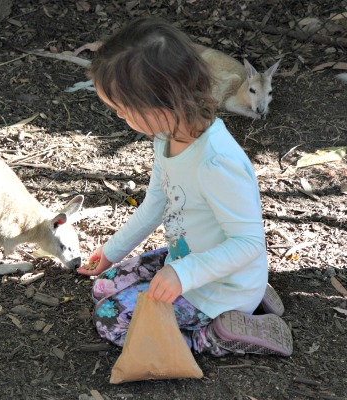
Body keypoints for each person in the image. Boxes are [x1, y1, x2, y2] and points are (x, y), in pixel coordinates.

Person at [77, 17, 292, 357]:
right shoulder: (166, 136)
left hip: (220, 286)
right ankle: (248, 295)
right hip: (193, 259)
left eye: (123, 110)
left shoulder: (216, 162)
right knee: (104, 285)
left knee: (110, 319)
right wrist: (112, 250)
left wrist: (183, 273)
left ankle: (219, 333)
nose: (120, 117)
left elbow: (249, 242)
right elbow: (156, 204)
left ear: (164, 101)